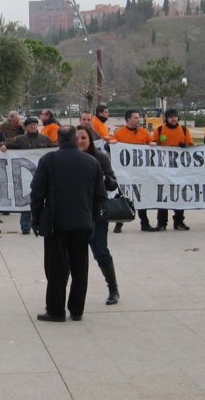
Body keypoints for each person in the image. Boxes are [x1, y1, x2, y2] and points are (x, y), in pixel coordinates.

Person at [31, 125, 107, 322]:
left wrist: (36, 217)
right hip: (83, 222)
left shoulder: (48, 160)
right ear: (75, 140)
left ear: (58, 140)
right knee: (80, 267)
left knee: (56, 268)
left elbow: (37, 192)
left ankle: (56, 310)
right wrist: (92, 216)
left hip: (56, 222)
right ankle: (77, 309)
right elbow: (100, 195)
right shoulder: (91, 162)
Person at [76, 125, 120, 305]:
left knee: (101, 251)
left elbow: (113, 184)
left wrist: (104, 178)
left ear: (90, 140)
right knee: (74, 255)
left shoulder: (100, 158)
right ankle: (75, 293)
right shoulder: (69, 158)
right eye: (77, 138)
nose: (80, 142)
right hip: (76, 212)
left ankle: (113, 288)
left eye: (84, 138)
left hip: (96, 212)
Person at [109, 109, 157, 232]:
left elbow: (151, 143)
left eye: (138, 117)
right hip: (125, 173)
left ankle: (144, 223)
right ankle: (119, 223)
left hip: (140, 173)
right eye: (135, 118)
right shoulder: (119, 133)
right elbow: (109, 146)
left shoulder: (144, 132)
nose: (138, 120)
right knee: (123, 197)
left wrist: (152, 144)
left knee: (141, 197)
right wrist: (112, 144)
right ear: (128, 119)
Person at [6, 116, 55, 234]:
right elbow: (7, 144)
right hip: (26, 176)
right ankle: (25, 226)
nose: (33, 126)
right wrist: (2, 144)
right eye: (30, 124)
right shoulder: (20, 139)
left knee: (44, 200)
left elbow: (55, 146)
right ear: (26, 127)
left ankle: (43, 222)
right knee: (26, 200)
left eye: (35, 124)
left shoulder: (45, 139)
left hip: (43, 175)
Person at [152, 109, 195, 231]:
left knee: (180, 195)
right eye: (171, 117)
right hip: (164, 169)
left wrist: (185, 147)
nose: (173, 119)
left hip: (180, 170)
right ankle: (161, 223)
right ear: (166, 118)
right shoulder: (160, 130)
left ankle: (179, 221)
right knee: (163, 195)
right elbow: (152, 145)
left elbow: (191, 147)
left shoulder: (184, 130)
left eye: (175, 116)